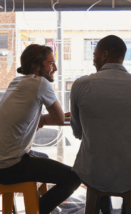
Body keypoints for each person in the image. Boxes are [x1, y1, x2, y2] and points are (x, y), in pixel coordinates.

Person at [70, 35, 131, 214]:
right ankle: (128, 208)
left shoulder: (80, 85)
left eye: (94, 55)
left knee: (99, 156)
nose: (93, 59)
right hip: (129, 170)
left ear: (104, 55)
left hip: (93, 169)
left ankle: (104, 207)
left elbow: (78, 132)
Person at [0, 44, 81, 214]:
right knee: (74, 177)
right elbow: (59, 119)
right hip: (9, 167)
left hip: (3, 162)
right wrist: (45, 119)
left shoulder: (17, 82)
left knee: (42, 156)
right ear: (37, 65)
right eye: (51, 63)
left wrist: (42, 119)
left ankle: (33, 206)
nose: (55, 68)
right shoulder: (40, 83)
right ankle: (38, 210)